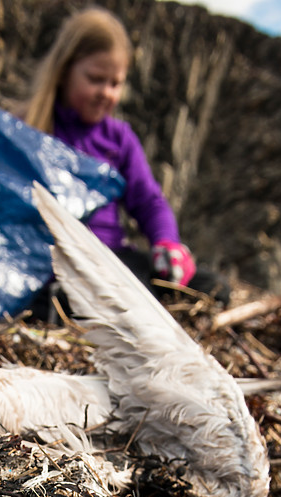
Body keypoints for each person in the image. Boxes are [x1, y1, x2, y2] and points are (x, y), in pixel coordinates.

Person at [24, 6, 229, 318]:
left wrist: (167, 243)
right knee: (126, 295)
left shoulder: (118, 137)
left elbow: (148, 201)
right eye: (95, 79)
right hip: (56, 267)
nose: (106, 93)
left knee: (212, 289)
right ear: (65, 70)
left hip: (114, 260)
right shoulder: (29, 129)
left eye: (115, 83)